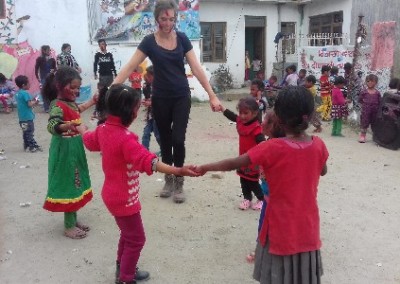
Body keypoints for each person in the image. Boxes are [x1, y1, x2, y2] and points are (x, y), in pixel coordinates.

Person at [195, 86, 328, 284]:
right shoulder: (318, 145)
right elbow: (322, 170)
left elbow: (234, 162)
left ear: (279, 118)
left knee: (277, 275)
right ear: (309, 115)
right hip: (307, 227)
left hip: (279, 227)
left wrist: (204, 167)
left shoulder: (271, 147)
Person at [79, 84, 198, 284]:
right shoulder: (126, 139)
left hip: (113, 195)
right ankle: (126, 278)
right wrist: (178, 170)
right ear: (131, 112)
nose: (138, 110)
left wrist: (82, 129)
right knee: (137, 239)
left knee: (128, 235)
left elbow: (89, 141)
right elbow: (149, 161)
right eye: (137, 107)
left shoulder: (103, 129)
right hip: (123, 199)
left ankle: (123, 268)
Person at [112, 0, 221, 203]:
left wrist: (211, 95)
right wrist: (112, 88)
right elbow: (130, 66)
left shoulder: (182, 39)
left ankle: (179, 179)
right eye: (164, 19)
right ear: (156, 19)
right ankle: (168, 177)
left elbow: (196, 68)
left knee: (178, 139)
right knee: (166, 140)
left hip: (181, 96)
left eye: (171, 19)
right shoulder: (149, 41)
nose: (168, 23)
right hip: (160, 98)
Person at [42, 66, 98, 239]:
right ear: (60, 86)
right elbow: (52, 125)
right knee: (69, 184)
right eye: (72, 87)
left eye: (78, 88)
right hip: (65, 151)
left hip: (74, 148)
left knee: (77, 181)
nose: (76, 91)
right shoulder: (56, 105)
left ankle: (72, 219)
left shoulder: (68, 102)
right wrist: (67, 126)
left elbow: (76, 110)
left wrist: (93, 101)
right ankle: (68, 226)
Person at [221, 97, 265, 210]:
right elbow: (233, 117)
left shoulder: (256, 128)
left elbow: (262, 143)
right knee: (243, 179)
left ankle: (262, 199)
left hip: (253, 160)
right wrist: (222, 109)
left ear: (255, 113)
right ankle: (247, 198)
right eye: (241, 112)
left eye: (246, 113)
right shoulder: (241, 121)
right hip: (243, 159)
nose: (242, 116)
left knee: (253, 182)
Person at [14, 75, 41, 152]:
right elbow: (29, 104)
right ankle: (32, 146)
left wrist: (33, 101)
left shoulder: (18, 93)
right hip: (28, 117)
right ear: (23, 85)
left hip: (22, 118)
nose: (30, 84)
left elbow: (24, 103)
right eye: (28, 83)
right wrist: (35, 101)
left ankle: (26, 145)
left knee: (25, 132)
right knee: (29, 132)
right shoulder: (25, 93)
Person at [141, 65, 161, 152]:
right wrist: (146, 101)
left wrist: (151, 103)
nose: (147, 77)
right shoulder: (149, 86)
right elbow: (150, 98)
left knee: (158, 135)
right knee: (146, 133)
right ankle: (144, 152)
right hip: (151, 115)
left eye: (149, 76)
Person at [358, 74, 381, 143]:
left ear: (376, 82)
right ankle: (362, 136)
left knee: (374, 124)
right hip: (366, 111)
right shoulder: (364, 92)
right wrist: (365, 105)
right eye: (368, 81)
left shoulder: (377, 93)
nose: (370, 83)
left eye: (372, 81)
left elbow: (380, 102)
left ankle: (375, 137)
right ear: (366, 82)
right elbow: (360, 100)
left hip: (375, 111)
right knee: (364, 123)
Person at [35, 45, 56, 112]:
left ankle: (52, 107)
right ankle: (46, 108)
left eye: (50, 50)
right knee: (44, 93)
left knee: (52, 92)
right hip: (43, 78)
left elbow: (55, 68)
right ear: (44, 51)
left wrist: (54, 70)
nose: (49, 51)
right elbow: (36, 69)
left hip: (52, 79)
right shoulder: (40, 59)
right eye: (48, 50)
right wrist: (38, 78)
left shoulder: (52, 59)